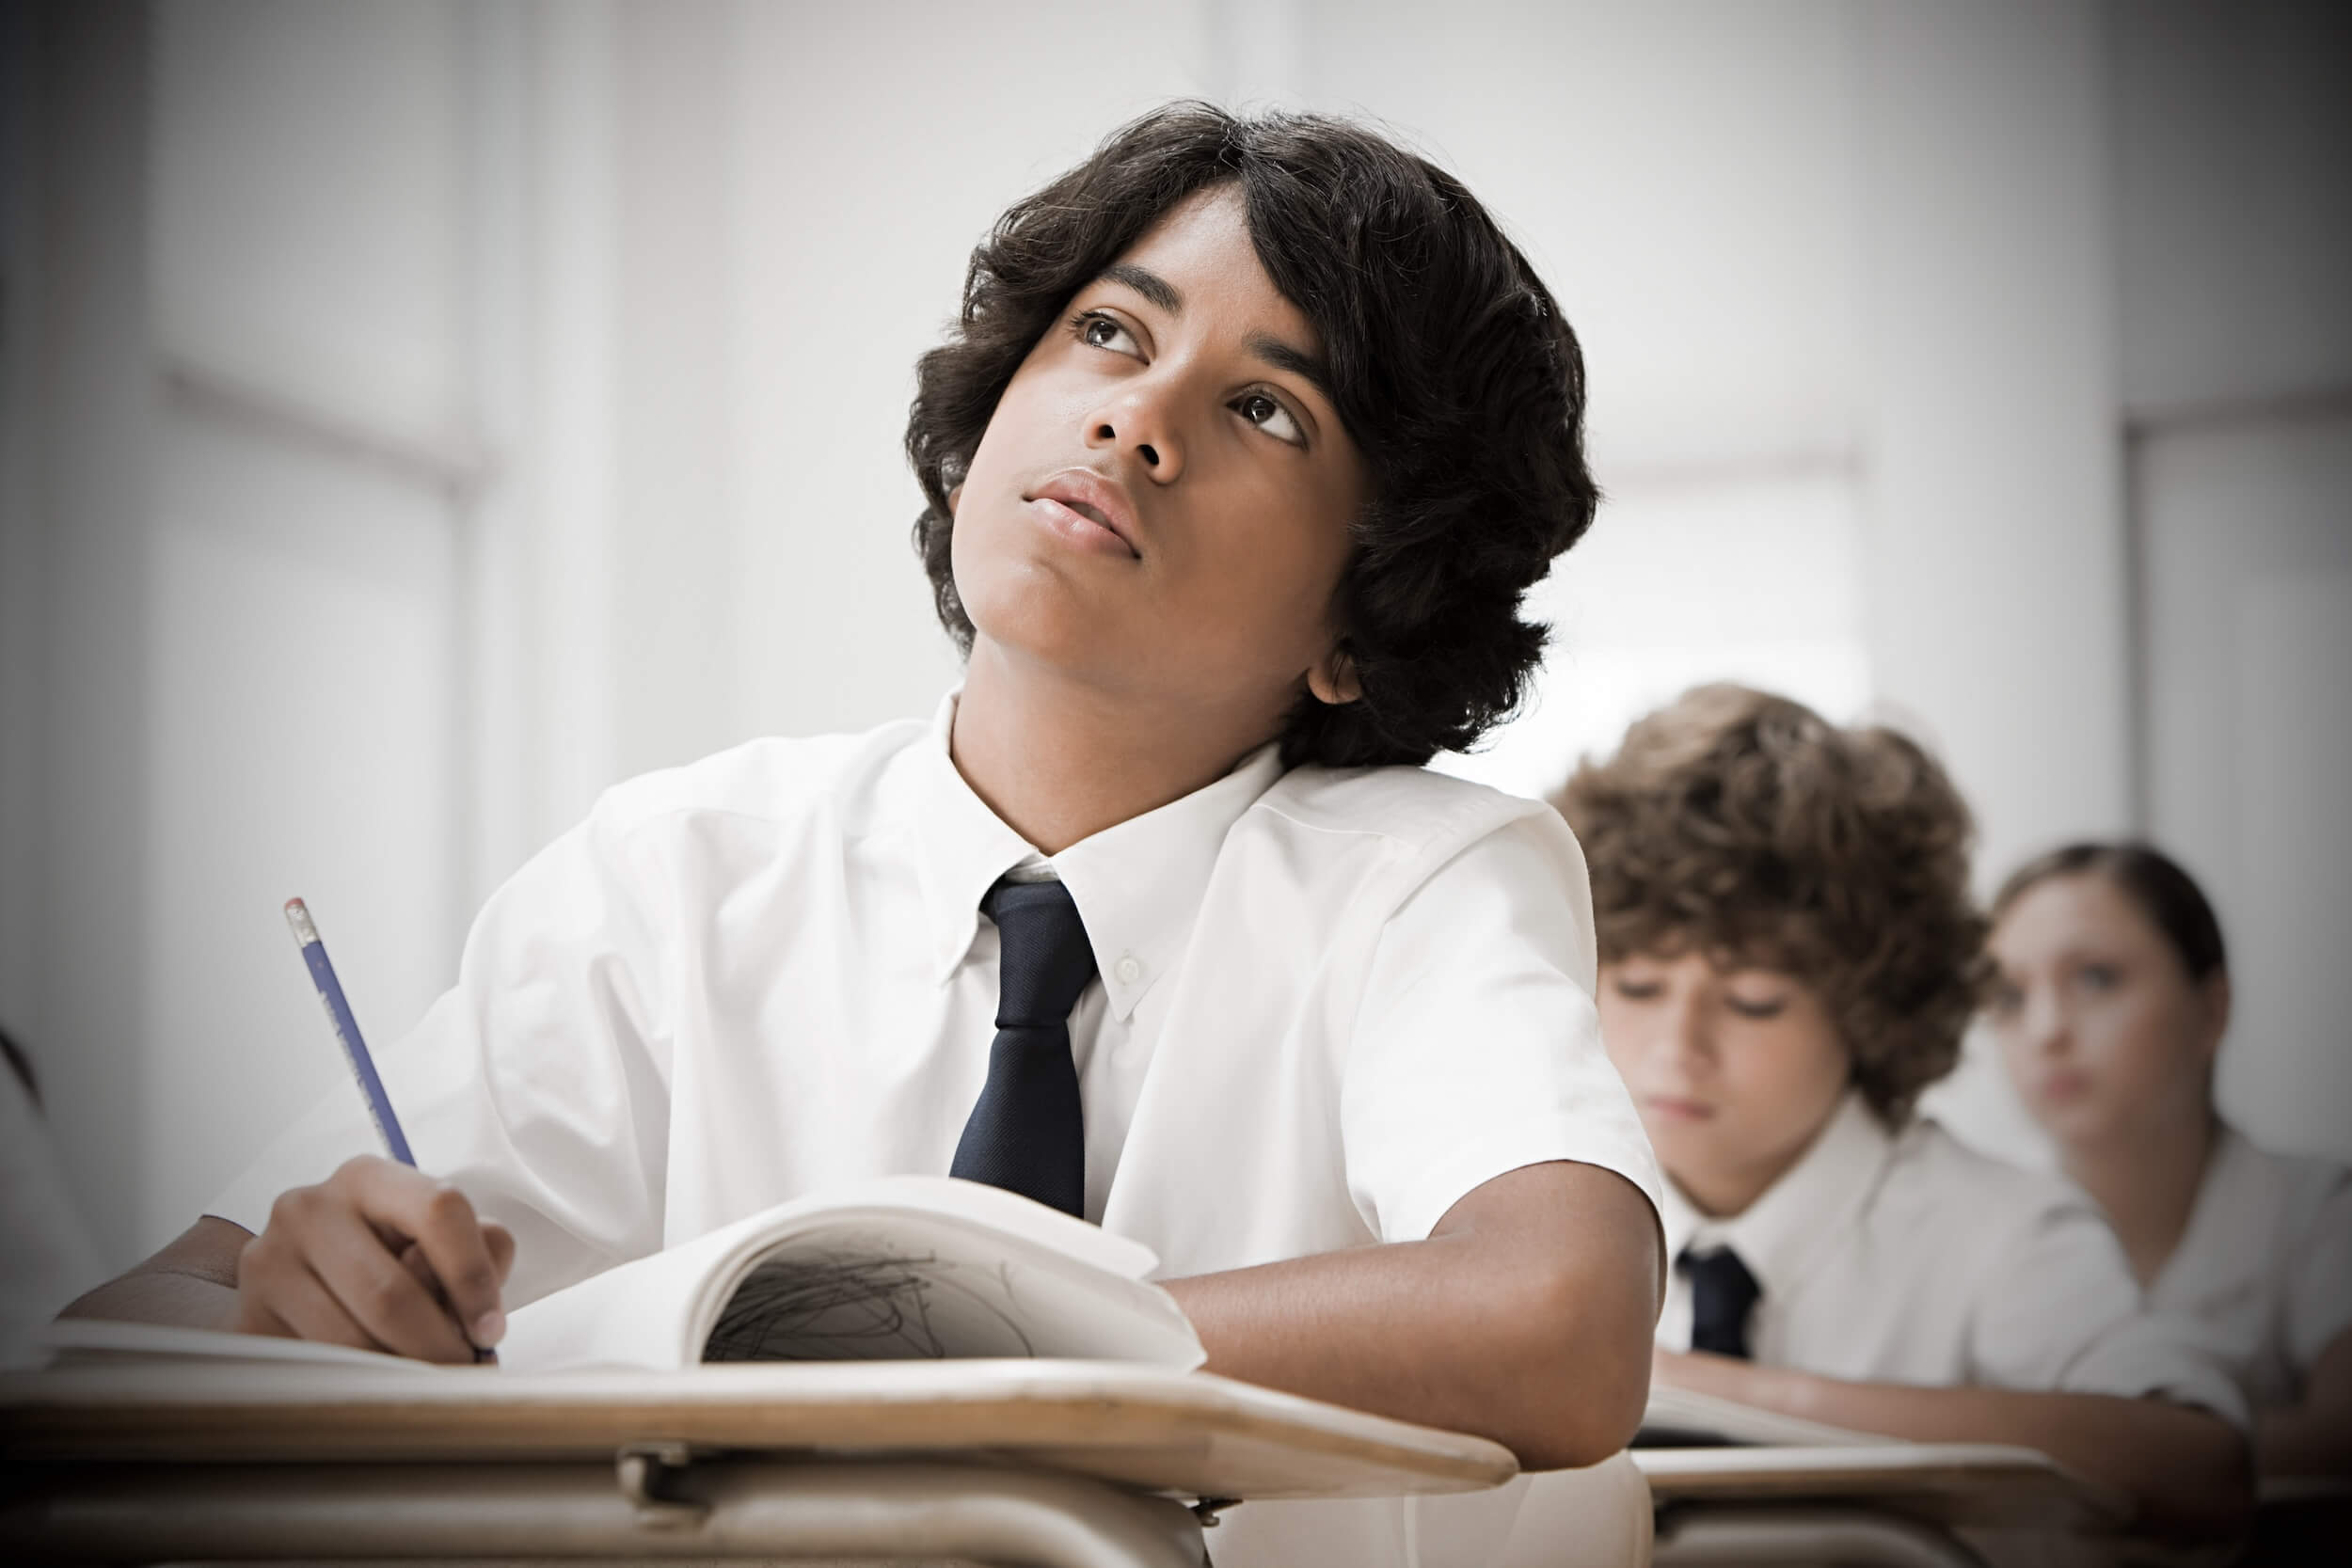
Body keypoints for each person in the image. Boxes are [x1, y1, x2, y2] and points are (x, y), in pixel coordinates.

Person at [63, 103, 1665, 1566]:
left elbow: (1558, 1316)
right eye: (1110, 332)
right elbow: (127, 1329)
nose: (1139, 419)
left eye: (1265, 409)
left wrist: (918, 1353)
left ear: (1365, 619)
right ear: (995, 412)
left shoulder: (1422, 877)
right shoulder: (684, 867)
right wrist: (294, 1292)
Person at [1549, 684, 2251, 1537]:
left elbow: (2201, 1466)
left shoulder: (2004, 1236)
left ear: (1870, 1004)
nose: (1675, 1046)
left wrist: (1724, 1395)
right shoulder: (1549, 1215)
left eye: (1755, 1000)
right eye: (1639, 986)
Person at [1988, 843, 2352, 1481]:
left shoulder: (2319, 1213)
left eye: (2096, 977)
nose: (2046, 1029)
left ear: (2211, 1009)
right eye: (2010, 995)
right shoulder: (1980, 1222)